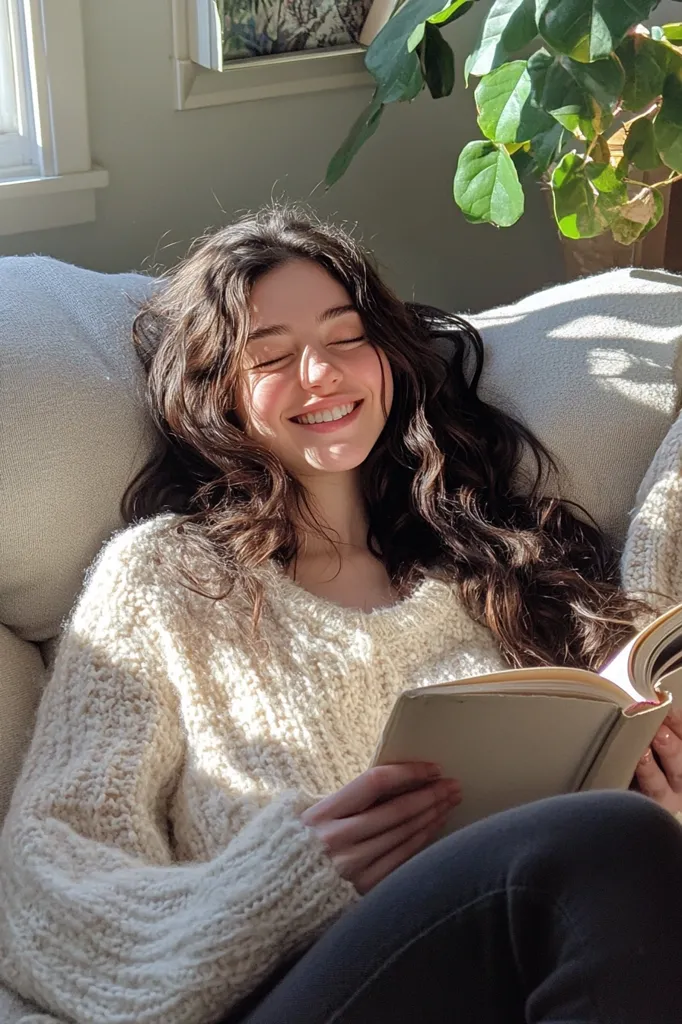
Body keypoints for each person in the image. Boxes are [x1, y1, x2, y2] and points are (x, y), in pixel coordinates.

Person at [1, 204, 682, 1024]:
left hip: (514, 976)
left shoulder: (496, 568)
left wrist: (656, 802)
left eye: (345, 337)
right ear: (219, 392)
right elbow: (46, 878)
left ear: (388, 358)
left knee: (621, 841)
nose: (321, 374)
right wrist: (283, 882)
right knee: (603, 843)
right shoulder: (165, 583)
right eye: (272, 356)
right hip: (300, 995)